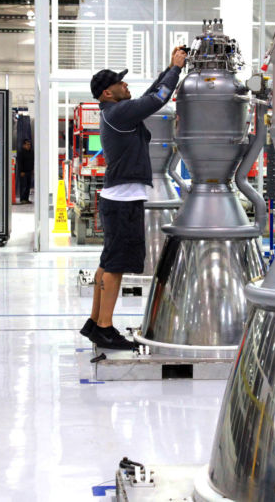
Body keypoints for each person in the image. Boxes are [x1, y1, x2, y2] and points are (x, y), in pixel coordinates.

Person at [80, 48, 187, 350]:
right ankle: (104, 328)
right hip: (123, 201)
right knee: (115, 266)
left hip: (117, 199)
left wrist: (169, 68)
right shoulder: (118, 113)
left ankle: (93, 322)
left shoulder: (116, 111)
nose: (125, 85)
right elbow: (157, 99)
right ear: (107, 93)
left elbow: (149, 96)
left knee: (107, 263)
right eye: (120, 83)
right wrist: (176, 70)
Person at [18, 139, 34, 204]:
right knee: (23, 186)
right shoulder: (21, 152)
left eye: (29, 144)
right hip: (23, 172)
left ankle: (26, 199)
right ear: (23, 145)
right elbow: (20, 162)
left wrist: (32, 170)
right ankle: (22, 199)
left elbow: (32, 161)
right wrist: (21, 171)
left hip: (29, 171)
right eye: (27, 144)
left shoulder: (31, 152)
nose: (29, 146)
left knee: (28, 186)